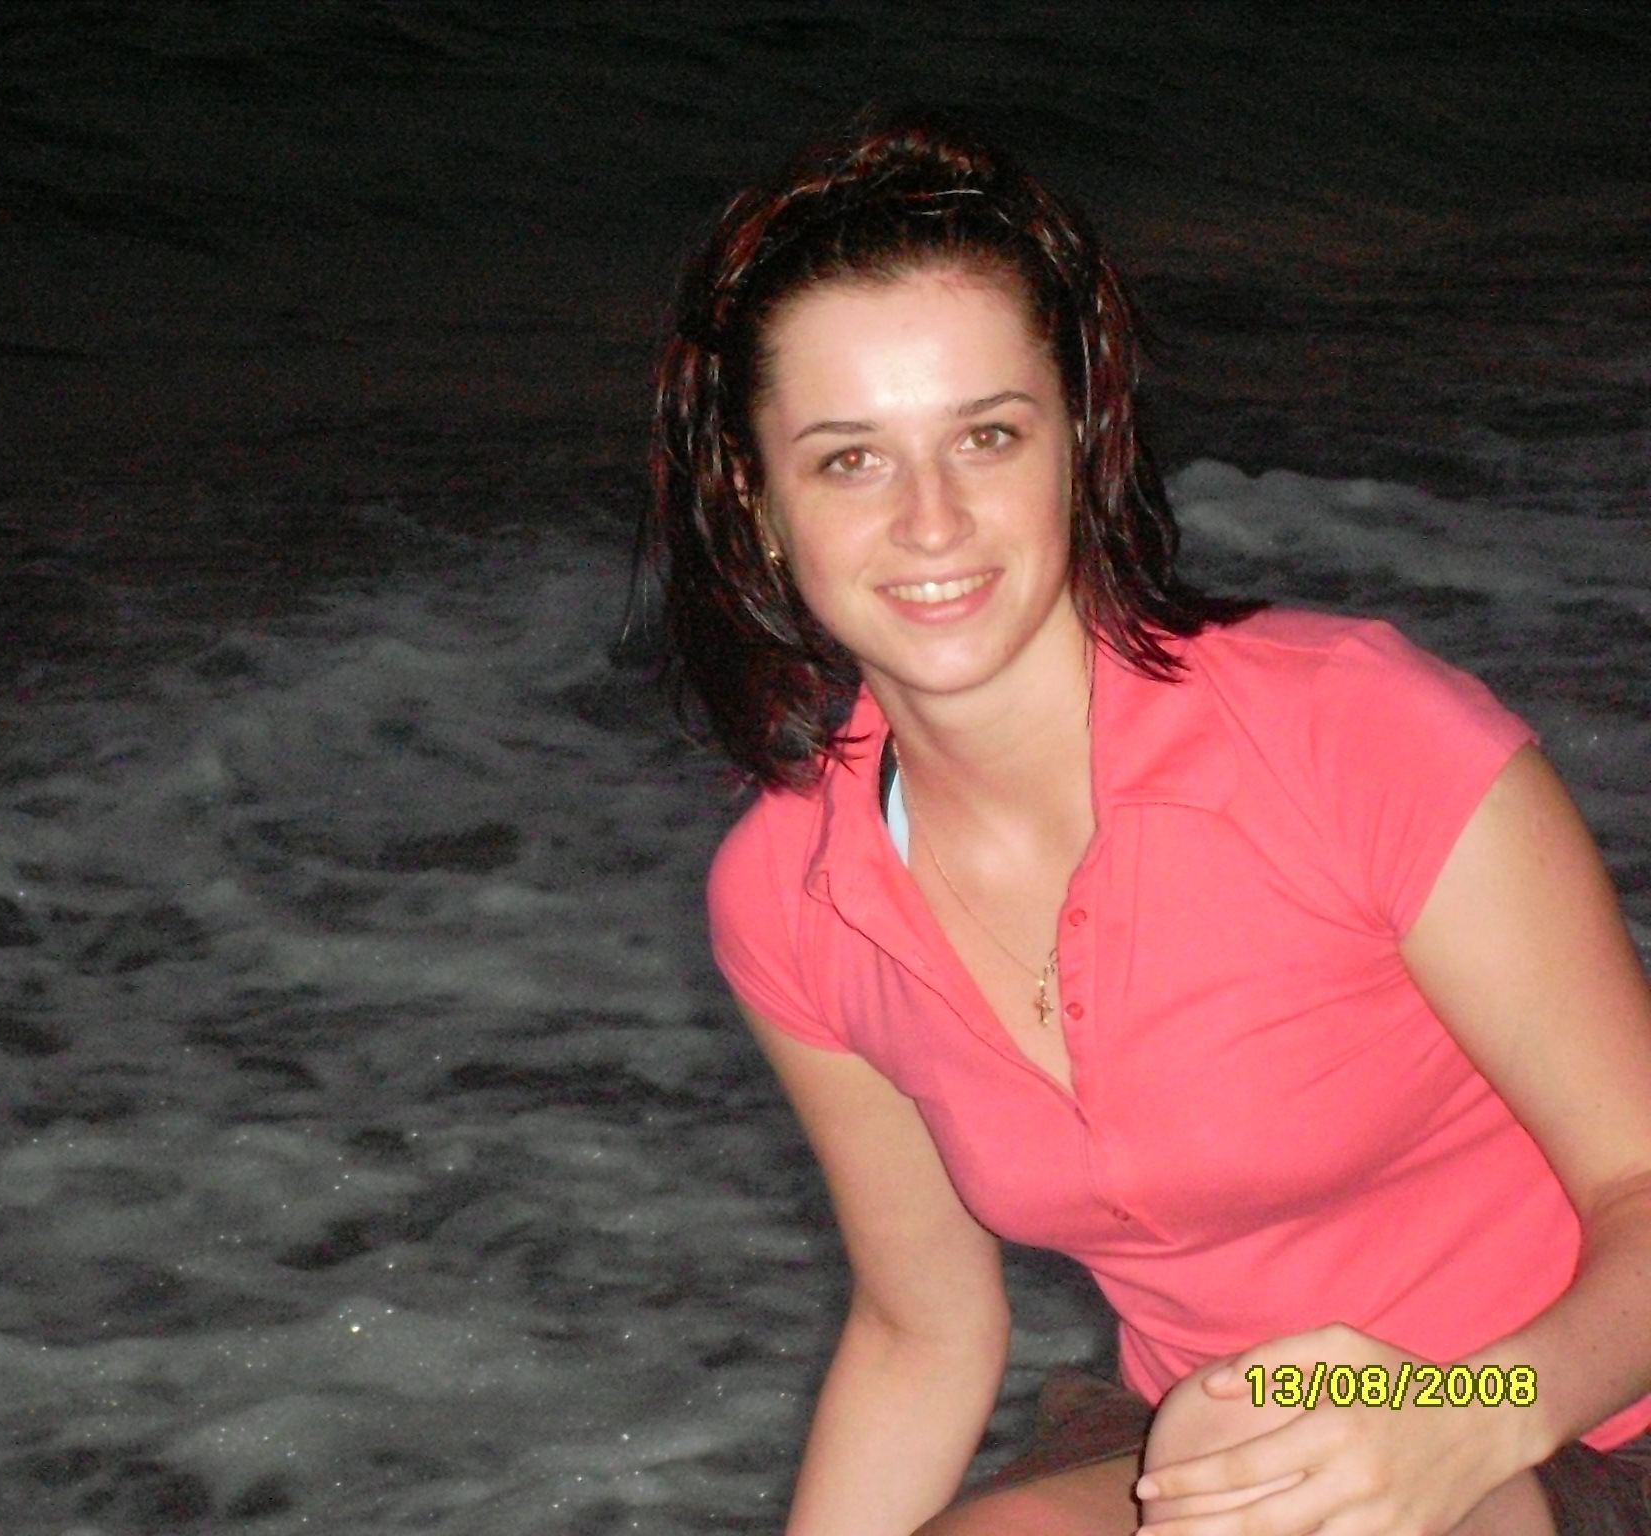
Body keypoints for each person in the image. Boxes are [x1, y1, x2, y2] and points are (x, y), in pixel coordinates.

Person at [641, 106, 1651, 1536]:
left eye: (987, 436)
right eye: (851, 459)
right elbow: (923, 1331)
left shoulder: (1353, 738)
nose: (931, 521)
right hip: (1208, 1437)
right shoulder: (791, 893)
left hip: (1571, 1414)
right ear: (756, 501)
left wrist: (1463, 1420)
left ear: (1079, 442)